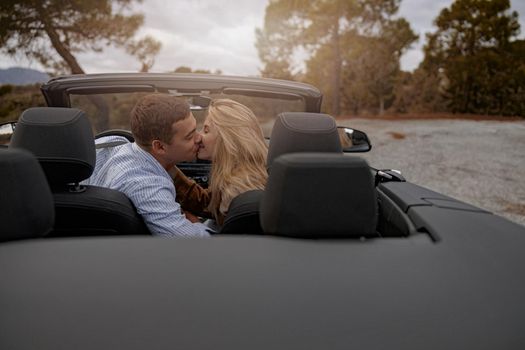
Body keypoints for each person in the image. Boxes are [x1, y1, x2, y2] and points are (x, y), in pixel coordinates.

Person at [85, 94, 210, 237]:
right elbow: (196, 241)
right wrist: (194, 221)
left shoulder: (113, 142)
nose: (199, 138)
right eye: (189, 136)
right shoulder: (146, 184)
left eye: (197, 129)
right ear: (160, 147)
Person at [171, 99, 268, 226]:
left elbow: (227, 242)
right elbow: (207, 202)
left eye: (206, 131)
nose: (198, 137)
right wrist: (168, 167)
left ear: (226, 139)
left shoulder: (237, 189)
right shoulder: (240, 176)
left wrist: (192, 223)